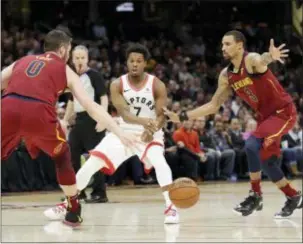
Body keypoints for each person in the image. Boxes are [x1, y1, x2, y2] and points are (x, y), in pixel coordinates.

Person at [1, 29, 138, 227]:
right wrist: (119, 132)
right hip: (38, 110)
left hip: (8, 105)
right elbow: (91, 106)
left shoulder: (23, 61)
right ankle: (73, 210)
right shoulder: (66, 70)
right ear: (64, 50)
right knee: (62, 156)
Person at [164, 30, 302, 218]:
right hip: (265, 118)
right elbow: (213, 105)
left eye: (227, 44)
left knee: (252, 144)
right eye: (222, 44)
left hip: (282, 112)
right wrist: (181, 116)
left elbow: (261, 60)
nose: (223, 48)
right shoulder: (226, 75)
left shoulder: (250, 60)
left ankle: (255, 196)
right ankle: (293, 196)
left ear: (239, 45)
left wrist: (271, 56)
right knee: (267, 162)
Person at [44, 43, 180, 224]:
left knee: (160, 162)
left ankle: (171, 207)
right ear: (126, 62)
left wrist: (153, 128)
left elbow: (162, 114)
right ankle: (68, 203)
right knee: (92, 163)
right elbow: (124, 113)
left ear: (145, 63)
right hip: (123, 131)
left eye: (139, 61)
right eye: (131, 61)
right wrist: (144, 124)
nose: (134, 64)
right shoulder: (118, 84)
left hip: (151, 132)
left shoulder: (157, 84)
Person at [64, 45, 108, 203]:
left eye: (83, 57)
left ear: (87, 59)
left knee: (95, 156)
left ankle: (99, 193)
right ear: (72, 59)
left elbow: (103, 98)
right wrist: (65, 120)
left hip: (93, 119)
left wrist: (102, 118)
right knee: (71, 156)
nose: (80, 60)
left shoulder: (94, 75)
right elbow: (71, 101)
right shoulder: (71, 78)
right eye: (77, 58)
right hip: (79, 121)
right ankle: (77, 191)